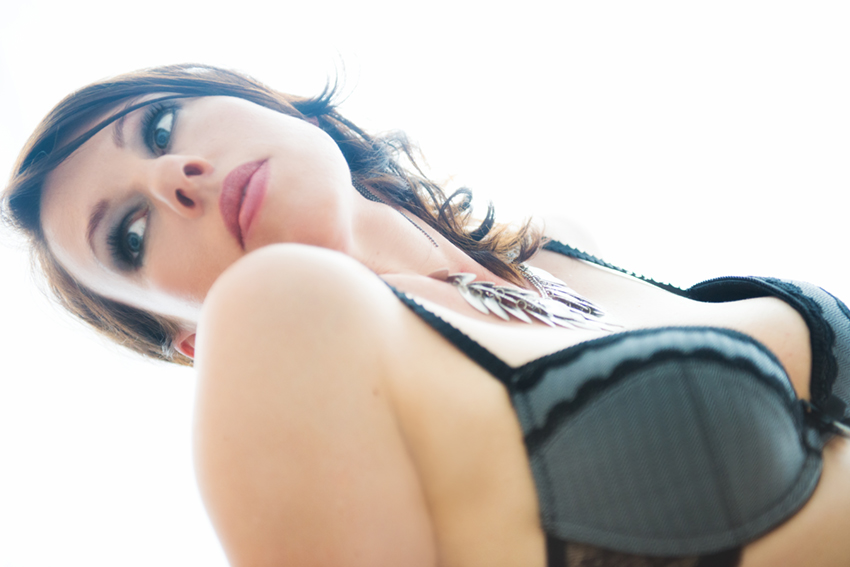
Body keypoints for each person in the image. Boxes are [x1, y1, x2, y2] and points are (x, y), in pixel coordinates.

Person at [3, 63, 850, 567]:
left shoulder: (561, 253)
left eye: (158, 127)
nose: (173, 177)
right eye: (131, 234)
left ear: (270, 104)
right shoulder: (274, 313)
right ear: (191, 338)